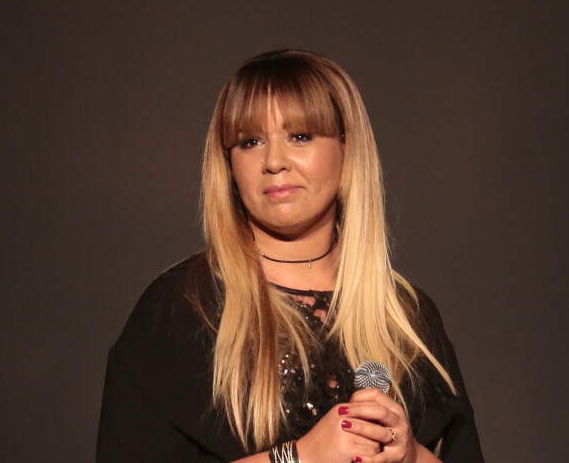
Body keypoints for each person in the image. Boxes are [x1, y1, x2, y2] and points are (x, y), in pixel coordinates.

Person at [97, 50, 484, 463]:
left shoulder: (408, 319)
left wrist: (411, 457)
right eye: (251, 142)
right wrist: (297, 458)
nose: (275, 162)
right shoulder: (181, 309)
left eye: (300, 136)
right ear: (228, 164)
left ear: (346, 148)